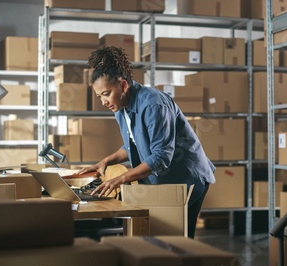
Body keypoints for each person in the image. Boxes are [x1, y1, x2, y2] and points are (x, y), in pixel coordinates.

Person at [76, 46, 215, 238]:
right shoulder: (121, 108)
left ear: (123, 86)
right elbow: (133, 146)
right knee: (159, 240)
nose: (103, 102)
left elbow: (160, 157)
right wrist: (105, 162)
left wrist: (121, 179)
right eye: (99, 96)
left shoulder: (153, 105)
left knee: (180, 241)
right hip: (165, 180)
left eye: (106, 94)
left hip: (187, 178)